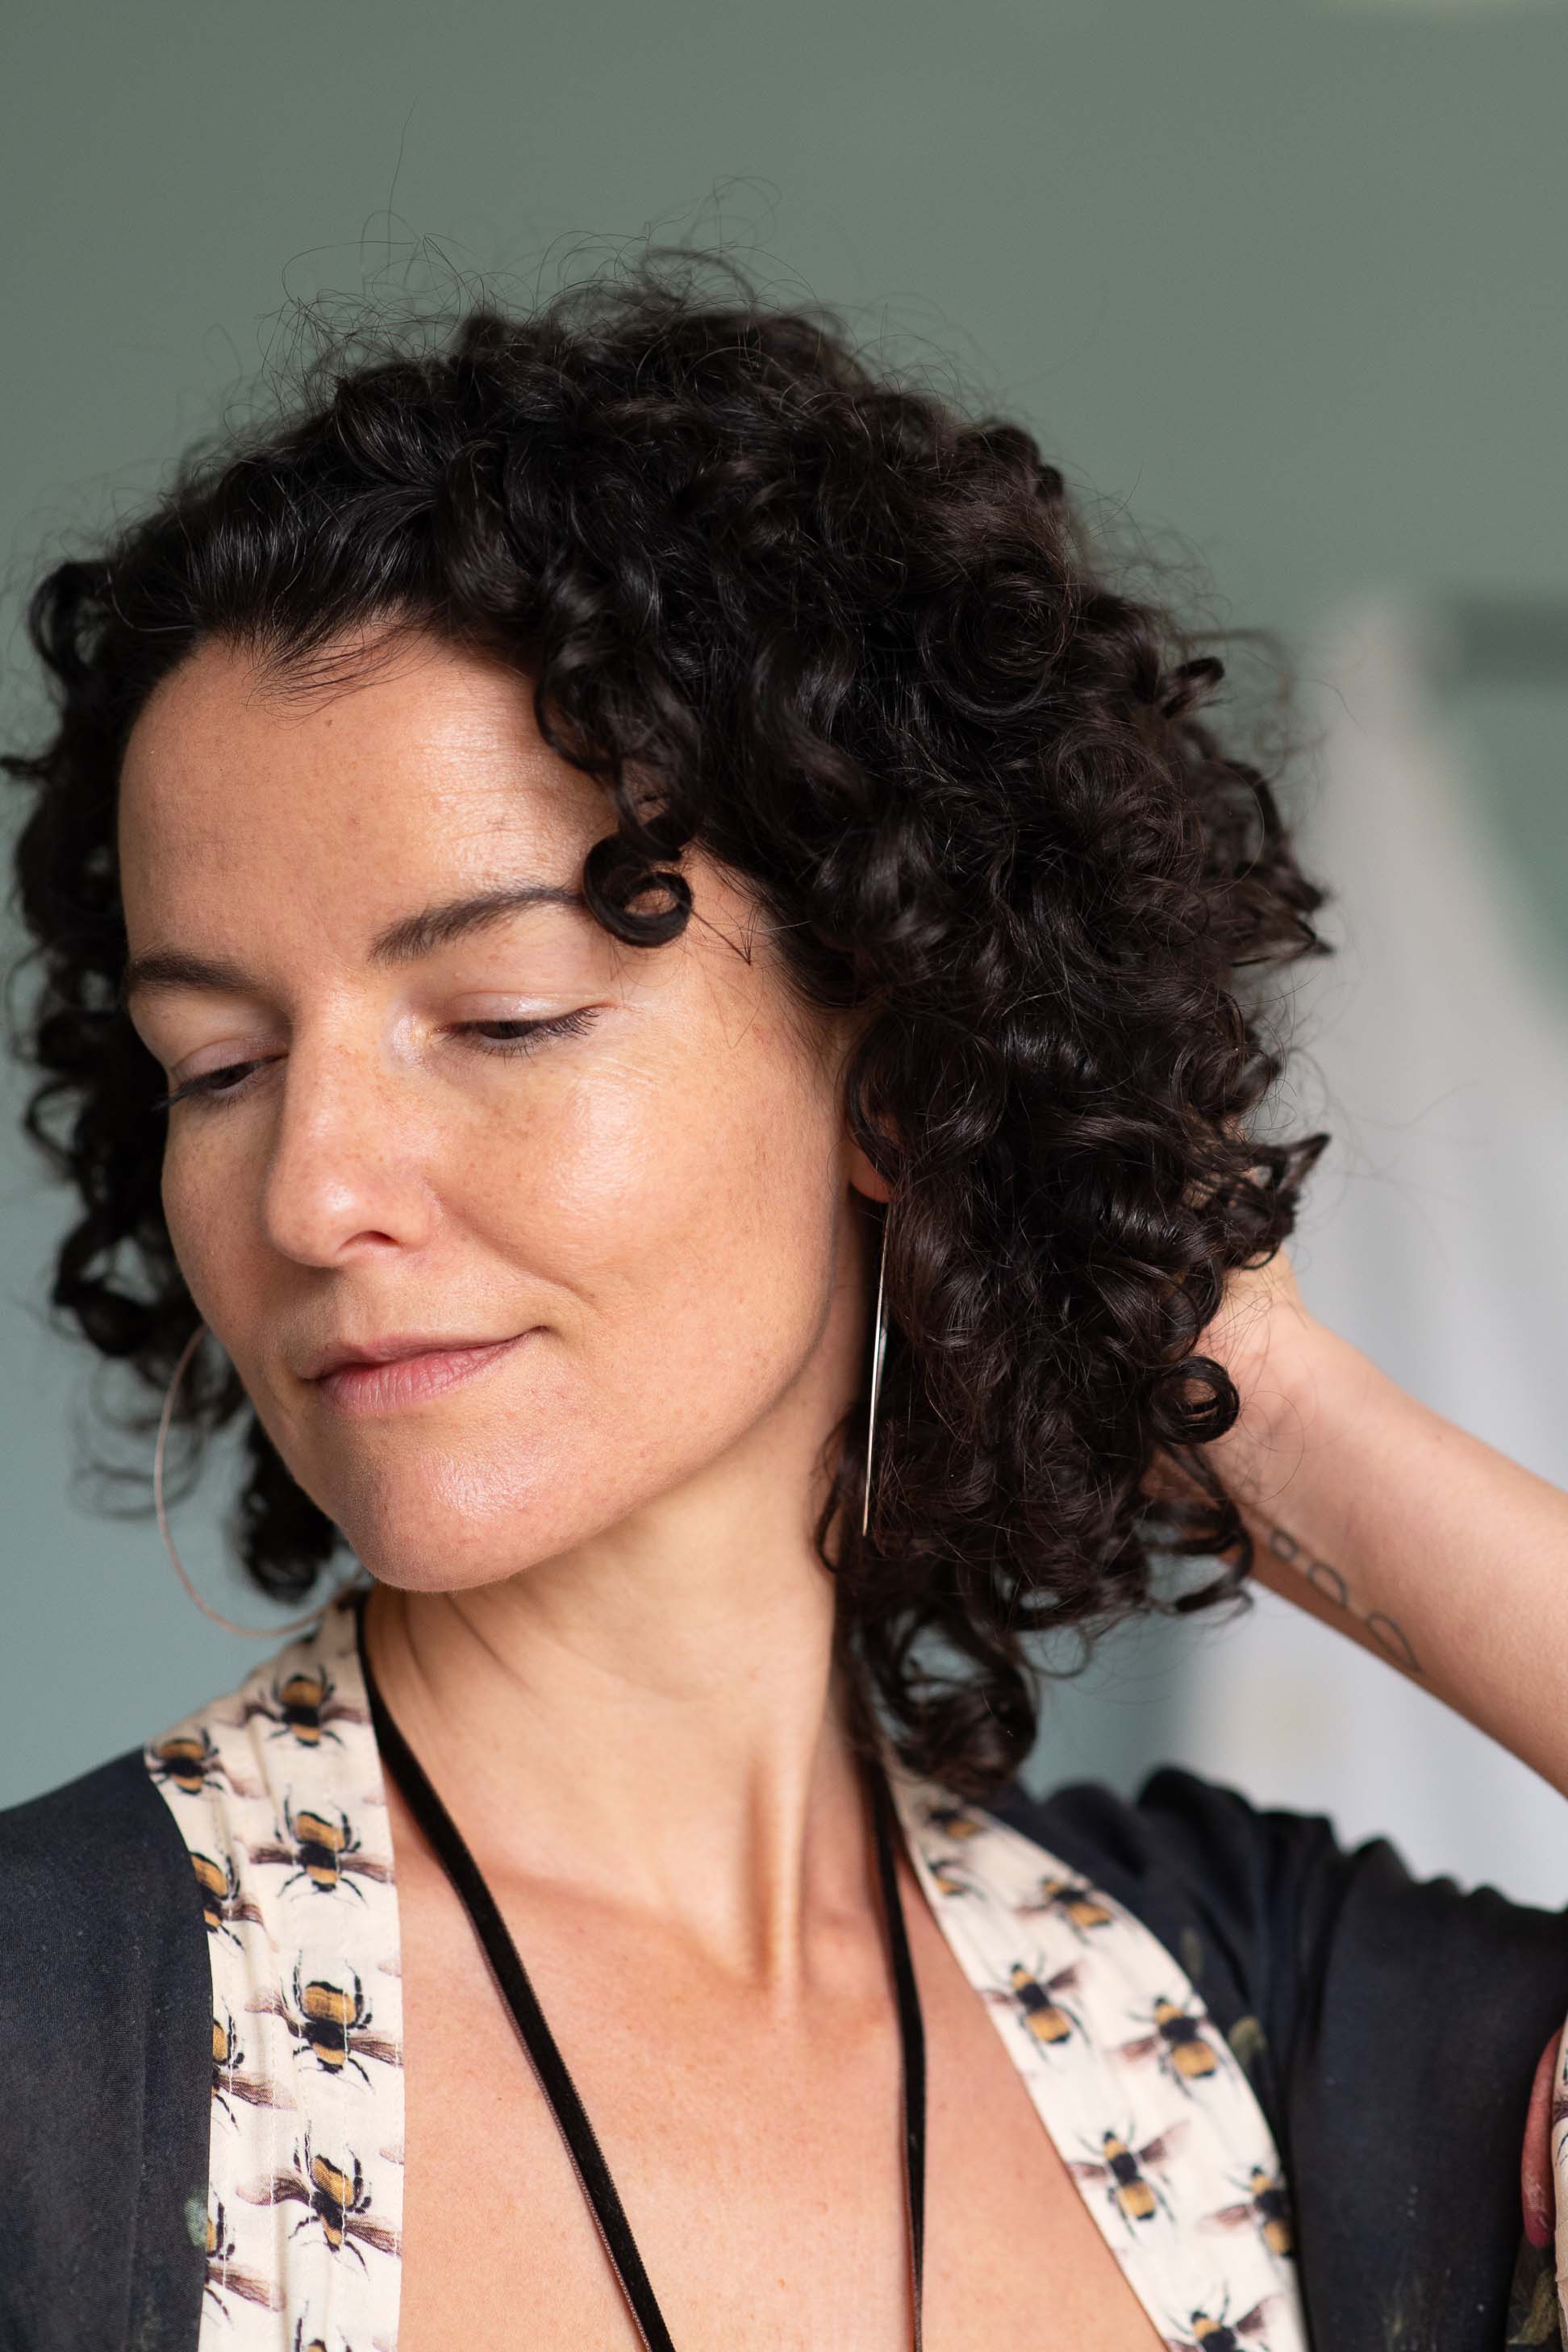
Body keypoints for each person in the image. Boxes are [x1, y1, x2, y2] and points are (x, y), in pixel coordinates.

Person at [2, 252, 1566, 2352]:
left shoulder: (1266, 2016)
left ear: (897, 1060)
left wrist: (1249, 1392)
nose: (311, 1192)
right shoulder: (50, 2050)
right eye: (219, 1063)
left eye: (502, 1015)